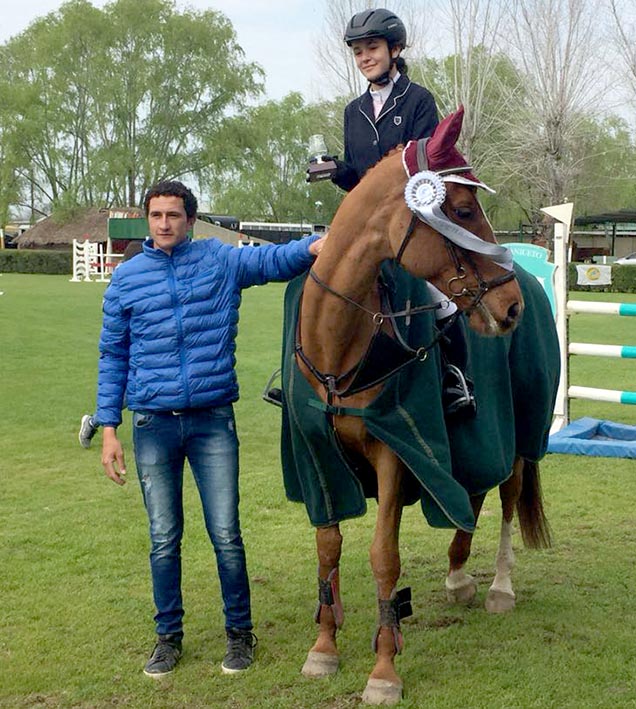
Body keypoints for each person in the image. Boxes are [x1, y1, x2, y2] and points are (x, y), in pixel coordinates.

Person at [95, 180, 325, 678]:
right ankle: (167, 639)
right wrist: (109, 428)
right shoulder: (128, 279)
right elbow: (113, 355)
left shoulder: (220, 261)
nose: (163, 224)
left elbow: (272, 262)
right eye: (155, 216)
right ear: (147, 219)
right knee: (163, 537)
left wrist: (314, 246)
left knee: (225, 534)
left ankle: (239, 635)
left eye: (173, 215)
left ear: (191, 219)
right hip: (152, 425)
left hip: (211, 422)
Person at [322, 8, 475, 418]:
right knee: (317, 286)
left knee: (442, 298)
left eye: (371, 48)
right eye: (357, 51)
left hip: (412, 223)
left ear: (395, 49)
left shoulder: (419, 100)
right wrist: (337, 171)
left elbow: (428, 163)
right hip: (365, 231)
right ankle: (316, 375)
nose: (364, 57)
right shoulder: (353, 112)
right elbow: (360, 182)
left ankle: (456, 379)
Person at [79, 239, 145, 448]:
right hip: (126, 346)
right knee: (130, 392)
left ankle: (94, 421)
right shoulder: (122, 280)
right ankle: (94, 421)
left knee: (136, 391)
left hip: (142, 346)